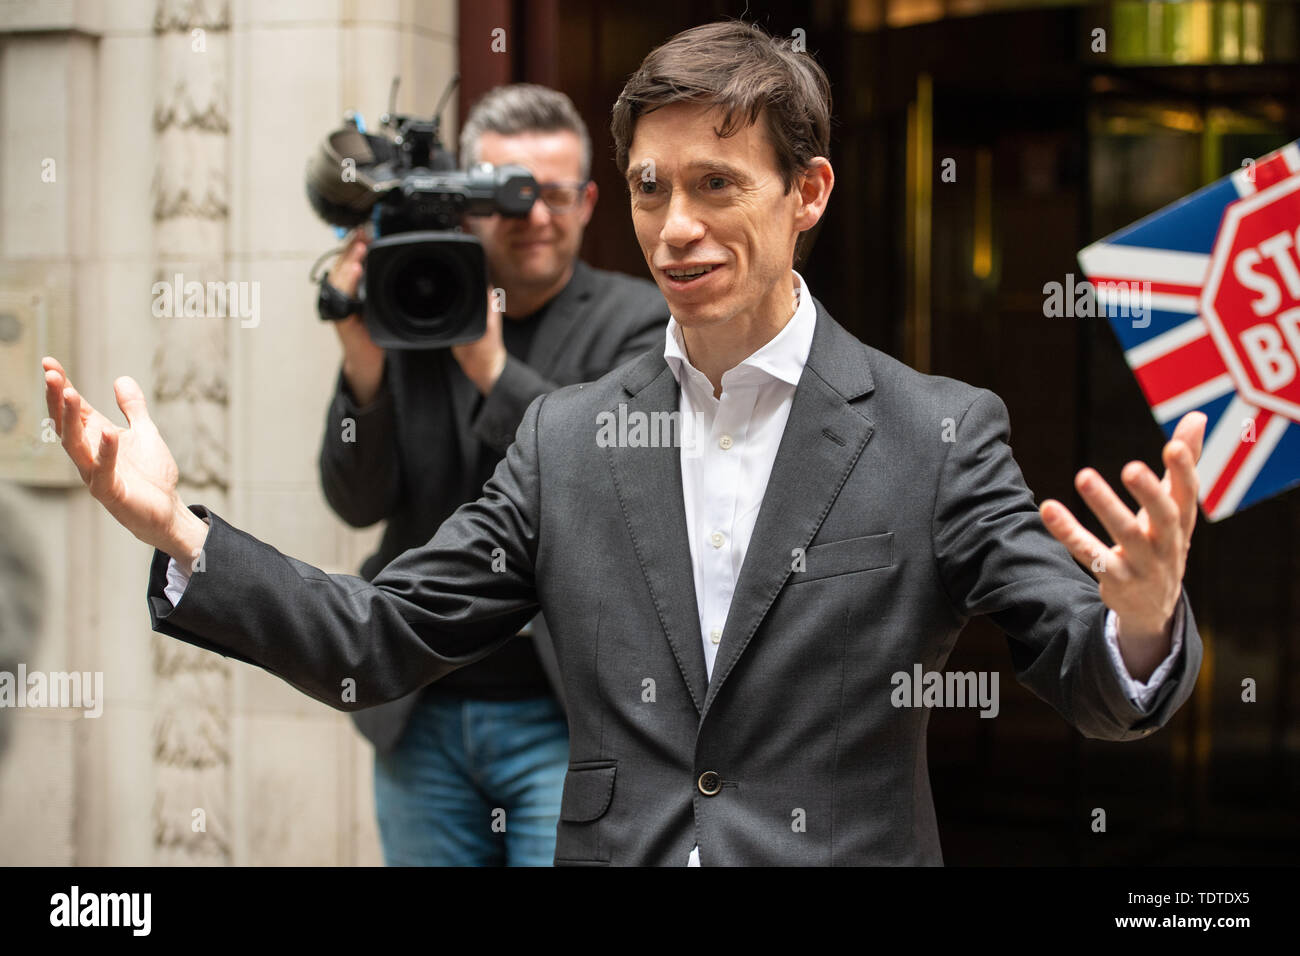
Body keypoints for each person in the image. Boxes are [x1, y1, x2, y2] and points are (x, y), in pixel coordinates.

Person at [42, 20, 1206, 865]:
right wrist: (182, 530)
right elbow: (384, 631)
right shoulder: (566, 435)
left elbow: (1092, 674)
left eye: (715, 184)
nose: (675, 226)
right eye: (651, 188)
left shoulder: (936, 431)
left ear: (808, 193)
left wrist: (1143, 620)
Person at [316, 84, 667, 866]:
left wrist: (490, 365)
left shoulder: (640, 323)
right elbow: (356, 500)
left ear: (587, 201)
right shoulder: (415, 309)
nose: (534, 216)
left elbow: (609, 485)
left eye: (551, 195)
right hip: (420, 712)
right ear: (464, 203)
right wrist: (361, 363)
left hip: (566, 719)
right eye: (506, 195)